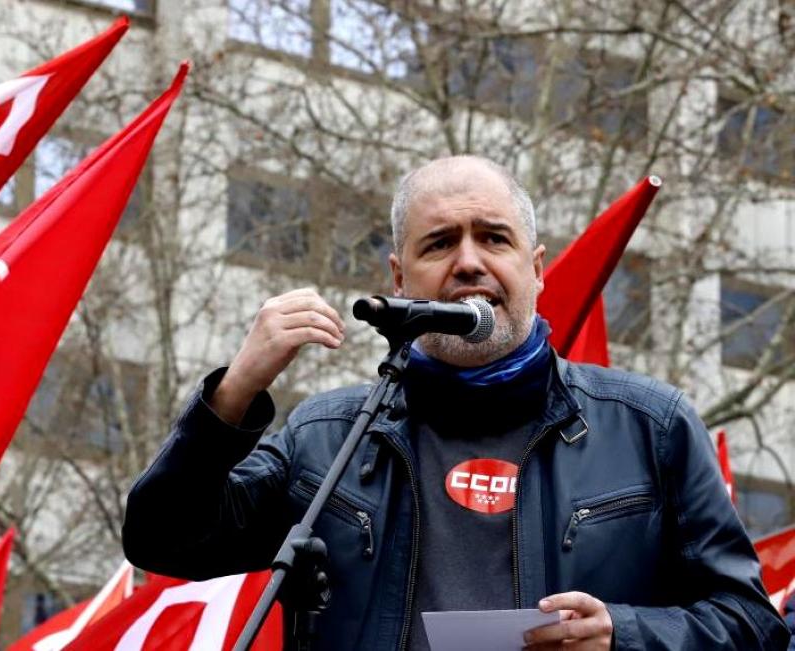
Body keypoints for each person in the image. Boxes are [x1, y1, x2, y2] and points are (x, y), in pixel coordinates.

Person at [121, 156, 789, 649]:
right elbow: (163, 539)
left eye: (493, 238)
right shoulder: (327, 436)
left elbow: (754, 624)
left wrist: (626, 632)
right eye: (440, 243)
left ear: (537, 267)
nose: (468, 262)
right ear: (399, 277)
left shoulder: (652, 425)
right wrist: (234, 391)